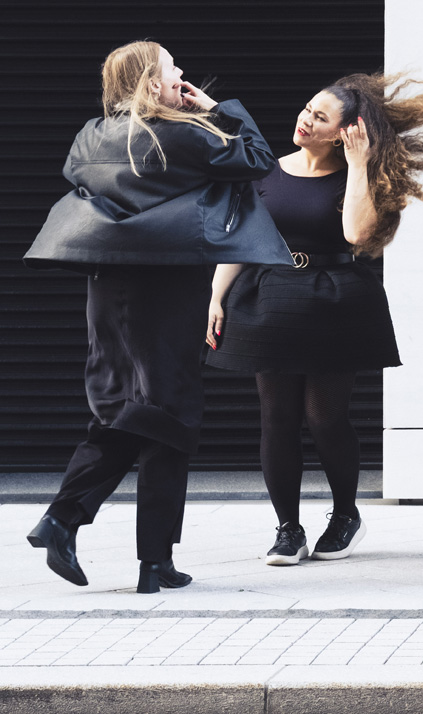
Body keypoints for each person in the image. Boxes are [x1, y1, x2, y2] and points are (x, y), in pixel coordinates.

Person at [23, 41, 291, 593]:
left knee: (129, 408)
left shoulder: (90, 135)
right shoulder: (185, 135)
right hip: (169, 284)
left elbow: (79, 176)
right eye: (173, 68)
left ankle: (148, 557)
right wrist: (217, 110)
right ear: (151, 82)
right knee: (172, 412)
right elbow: (258, 160)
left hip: (108, 283)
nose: (182, 74)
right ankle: (81, 524)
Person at [207, 73, 423, 565]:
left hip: (334, 299)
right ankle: (288, 529)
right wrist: (217, 296)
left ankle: (346, 515)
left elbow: (355, 234)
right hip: (272, 297)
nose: (305, 120)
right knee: (277, 417)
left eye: (320, 117)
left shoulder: (362, 176)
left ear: (345, 133)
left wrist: (358, 163)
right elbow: (242, 238)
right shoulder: (266, 170)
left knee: (325, 417)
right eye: (308, 108)